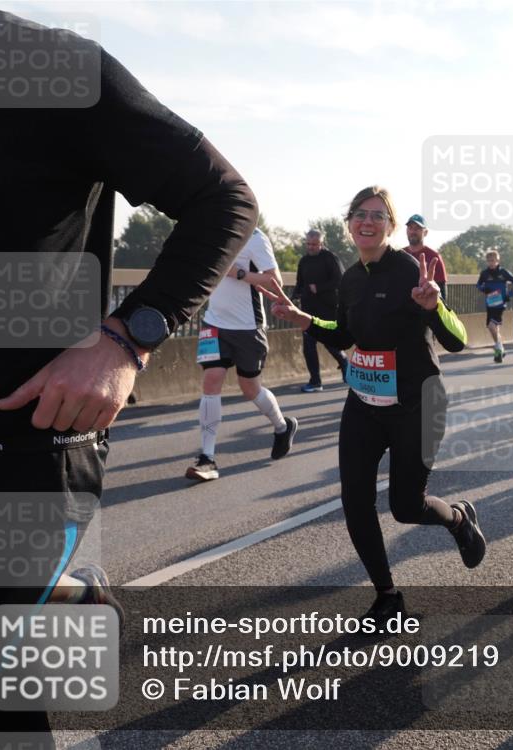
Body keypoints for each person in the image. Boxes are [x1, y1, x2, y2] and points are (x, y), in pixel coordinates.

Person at [0, 2, 258, 745]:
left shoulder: (36, 62)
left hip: (22, 435)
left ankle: (67, 591)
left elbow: (224, 199)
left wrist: (126, 338)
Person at [270, 186, 485, 625]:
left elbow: (457, 340)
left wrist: (435, 305)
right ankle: (387, 595)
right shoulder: (350, 277)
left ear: (390, 224)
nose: (367, 222)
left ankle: (459, 518)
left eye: (377, 215)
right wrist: (305, 320)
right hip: (365, 403)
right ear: (349, 223)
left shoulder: (410, 270)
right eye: (359, 215)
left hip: (417, 403)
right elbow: (346, 334)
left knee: (406, 507)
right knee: (356, 501)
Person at [185, 228, 297, 482]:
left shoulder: (255, 238)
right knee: (211, 380)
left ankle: (282, 426)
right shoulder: (211, 235)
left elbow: (273, 281)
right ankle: (207, 457)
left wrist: (239, 273)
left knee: (250, 388)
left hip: (248, 327)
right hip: (213, 324)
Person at [295, 228, 348, 392]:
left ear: (321, 243)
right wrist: (292, 297)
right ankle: (315, 381)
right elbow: (299, 283)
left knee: (330, 343)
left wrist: (319, 287)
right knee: (308, 346)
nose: (311, 247)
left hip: (328, 309)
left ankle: (344, 362)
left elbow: (341, 280)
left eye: (314, 244)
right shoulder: (303, 261)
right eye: (308, 244)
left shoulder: (329, 258)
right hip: (308, 310)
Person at [476, 250, 513, 363]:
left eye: (493, 260)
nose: (491, 263)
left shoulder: (504, 272)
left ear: (497, 260)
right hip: (490, 304)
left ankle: (499, 347)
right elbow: (478, 285)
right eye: (489, 261)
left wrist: (509, 295)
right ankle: (500, 349)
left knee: (491, 326)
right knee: (494, 328)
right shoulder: (484, 273)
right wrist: (484, 289)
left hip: (500, 304)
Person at [404, 214, 448, 301]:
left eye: (417, 228)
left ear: (425, 232)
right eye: (410, 228)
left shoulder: (434, 256)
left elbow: (442, 291)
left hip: (424, 308)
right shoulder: (400, 255)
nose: (413, 231)